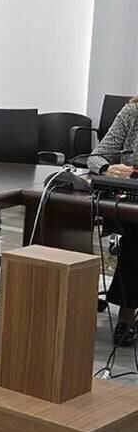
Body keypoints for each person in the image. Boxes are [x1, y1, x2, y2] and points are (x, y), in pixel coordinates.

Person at [89, 97, 138, 346]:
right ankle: (127, 317)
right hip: (131, 200)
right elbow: (96, 156)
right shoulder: (132, 112)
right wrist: (108, 168)